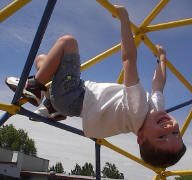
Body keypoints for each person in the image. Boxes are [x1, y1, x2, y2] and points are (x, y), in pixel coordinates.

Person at [6, 5, 186, 168]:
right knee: (43, 60)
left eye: (162, 137)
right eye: (176, 132)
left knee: (67, 42)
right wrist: (162, 59)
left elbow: (129, 60)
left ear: (141, 138)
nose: (168, 128)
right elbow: (159, 84)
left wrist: (124, 18)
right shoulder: (156, 109)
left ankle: (34, 88)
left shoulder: (137, 110)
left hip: (72, 94)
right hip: (71, 102)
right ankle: (52, 107)